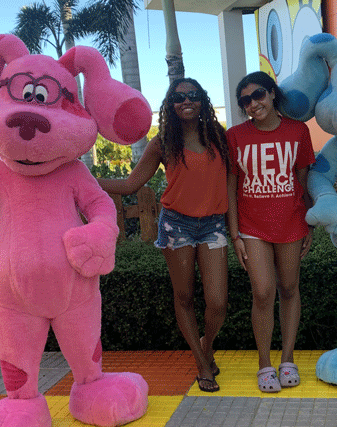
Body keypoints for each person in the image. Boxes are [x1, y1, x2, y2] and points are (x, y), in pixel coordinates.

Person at [98, 78, 229, 393]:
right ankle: (202, 364)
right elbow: (130, 185)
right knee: (184, 297)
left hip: (213, 225)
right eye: (178, 97)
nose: (186, 101)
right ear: (170, 104)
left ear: (202, 100)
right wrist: (81, 178)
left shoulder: (217, 135)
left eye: (193, 95)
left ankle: (206, 345)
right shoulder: (163, 142)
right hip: (176, 226)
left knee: (217, 301)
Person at [226, 71, 315, 393]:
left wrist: (308, 223)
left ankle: (287, 359)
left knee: (289, 288)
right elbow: (231, 186)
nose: (253, 103)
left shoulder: (298, 131)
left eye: (258, 95)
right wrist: (235, 235)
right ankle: (265, 365)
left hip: (291, 222)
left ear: (272, 93)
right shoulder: (235, 136)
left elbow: (303, 181)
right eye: (245, 100)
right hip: (252, 226)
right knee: (263, 292)